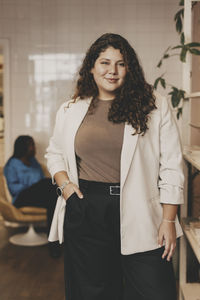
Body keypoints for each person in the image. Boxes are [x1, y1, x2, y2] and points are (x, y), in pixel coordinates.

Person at [45, 33, 184, 300]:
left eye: (120, 63)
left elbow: (171, 166)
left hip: (141, 209)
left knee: (155, 291)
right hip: (86, 207)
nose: (112, 71)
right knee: (92, 292)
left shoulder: (154, 106)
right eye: (105, 62)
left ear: (129, 68)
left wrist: (168, 219)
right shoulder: (70, 109)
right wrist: (65, 187)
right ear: (91, 67)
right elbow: (54, 153)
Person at [4, 135, 61, 258]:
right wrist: (32, 186)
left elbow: (40, 181)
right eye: (31, 145)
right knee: (50, 185)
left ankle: (55, 242)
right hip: (21, 197)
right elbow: (13, 188)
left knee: (54, 199)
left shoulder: (34, 162)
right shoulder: (12, 164)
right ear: (23, 147)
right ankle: (54, 244)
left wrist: (37, 186)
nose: (34, 148)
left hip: (36, 194)